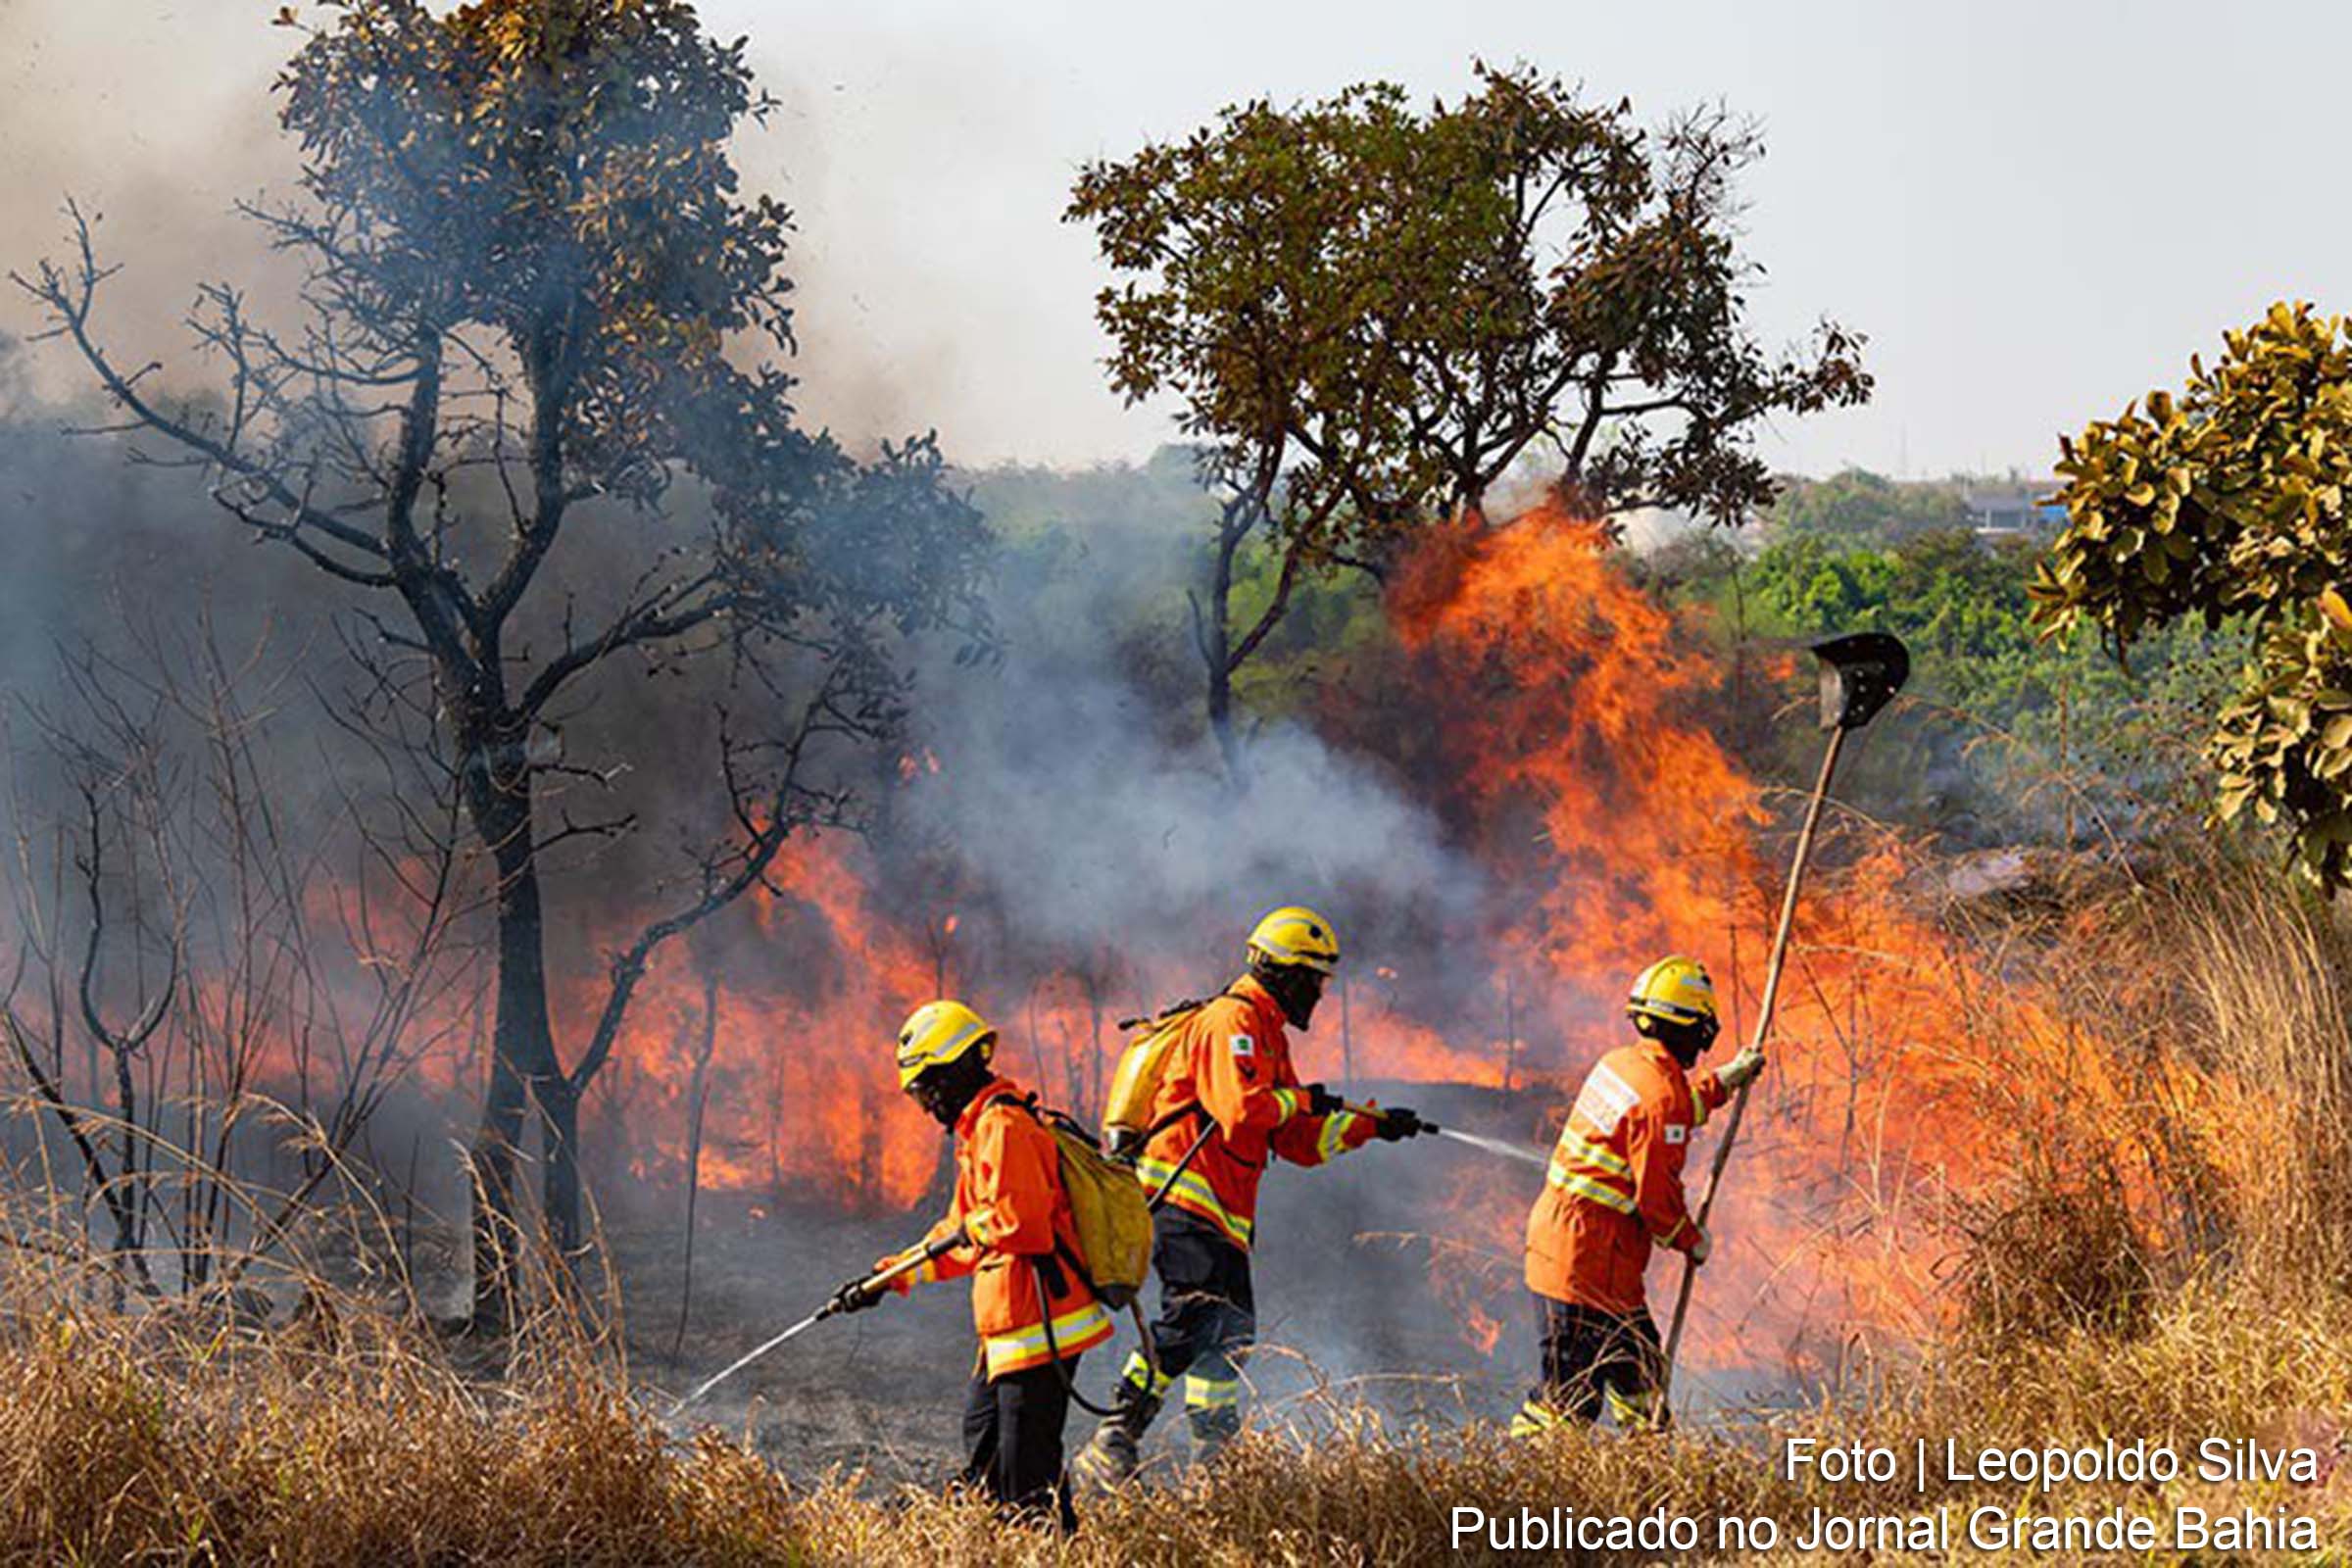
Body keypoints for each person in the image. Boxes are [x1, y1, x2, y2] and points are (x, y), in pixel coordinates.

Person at [1073, 905, 1425, 1484]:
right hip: (1182, 1200)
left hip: (1224, 1216)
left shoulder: (1268, 1035)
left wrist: (1371, 1125)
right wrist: (1306, 1099)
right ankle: (1114, 1435)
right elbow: (1241, 1113)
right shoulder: (1231, 1022)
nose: (1317, 992)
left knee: (1230, 1337)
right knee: (1193, 1317)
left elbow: (1295, 1142)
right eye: (1313, 979)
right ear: (1284, 972)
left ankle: (1214, 1465)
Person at [831, 1000, 1113, 1529]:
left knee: (1024, 1481)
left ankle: (1051, 1551)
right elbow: (957, 1237)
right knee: (988, 1458)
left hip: (1041, 1326)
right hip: (1008, 1333)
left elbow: (1022, 1225)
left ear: (955, 1069)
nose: (925, 1104)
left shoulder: (1005, 1126)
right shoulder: (979, 1130)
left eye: (926, 1087)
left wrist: (972, 1229)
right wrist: (887, 1278)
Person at [1514, 955, 1764, 1435]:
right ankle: (1520, 1498)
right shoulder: (1658, 1098)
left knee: (1642, 1374)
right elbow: (1657, 1202)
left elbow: (1664, 1113)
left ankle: (1644, 1469)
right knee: (1566, 1403)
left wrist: (1723, 1083)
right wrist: (1691, 1239)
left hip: (1594, 1255)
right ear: (1693, 1027)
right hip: (1584, 1262)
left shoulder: (1624, 1064)